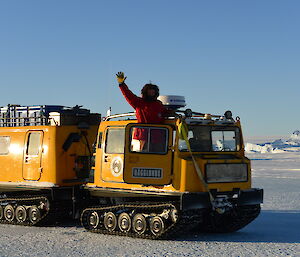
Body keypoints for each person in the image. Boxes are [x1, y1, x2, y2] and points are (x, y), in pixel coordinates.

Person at [116, 71, 167, 152]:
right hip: (143, 137)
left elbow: (166, 114)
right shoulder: (139, 103)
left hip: (158, 138)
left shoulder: (159, 105)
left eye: (153, 91)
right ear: (145, 92)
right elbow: (128, 95)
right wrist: (122, 85)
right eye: (150, 90)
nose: (152, 92)